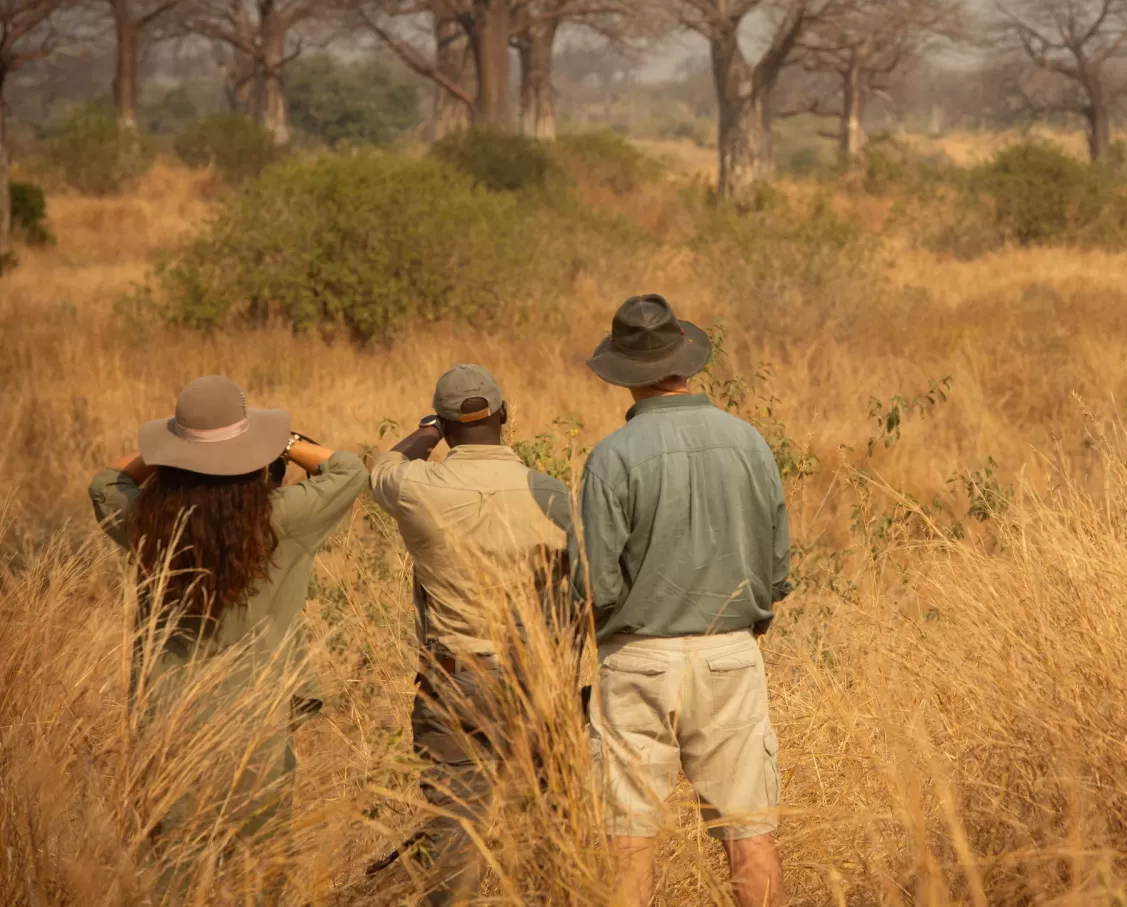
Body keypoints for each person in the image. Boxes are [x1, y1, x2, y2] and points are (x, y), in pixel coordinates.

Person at [87, 375, 367, 845]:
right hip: (257, 724)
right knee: (257, 865)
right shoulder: (281, 517)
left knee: (173, 863)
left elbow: (107, 482)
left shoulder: (146, 522)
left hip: (165, 724)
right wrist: (287, 443)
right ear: (252, 455)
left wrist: (171, 449)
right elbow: (348, 470)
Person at [576, 295, 790, 907]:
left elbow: (597, 586)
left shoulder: (612, 456)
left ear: (624, 370)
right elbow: (777, 571)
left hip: (638, 661)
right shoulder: (748, 442)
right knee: (750, 835)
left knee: (628, 841)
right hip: (730, 655)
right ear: (684, 358)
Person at [368, 364, 577, 905]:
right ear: (506, 415)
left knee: (453, 826)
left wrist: (426, 433)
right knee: (546, 825)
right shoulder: (551, 493)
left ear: (444, 424)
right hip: (537, 676)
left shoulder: (418, 487)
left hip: (456, 676)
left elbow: (384, 467)